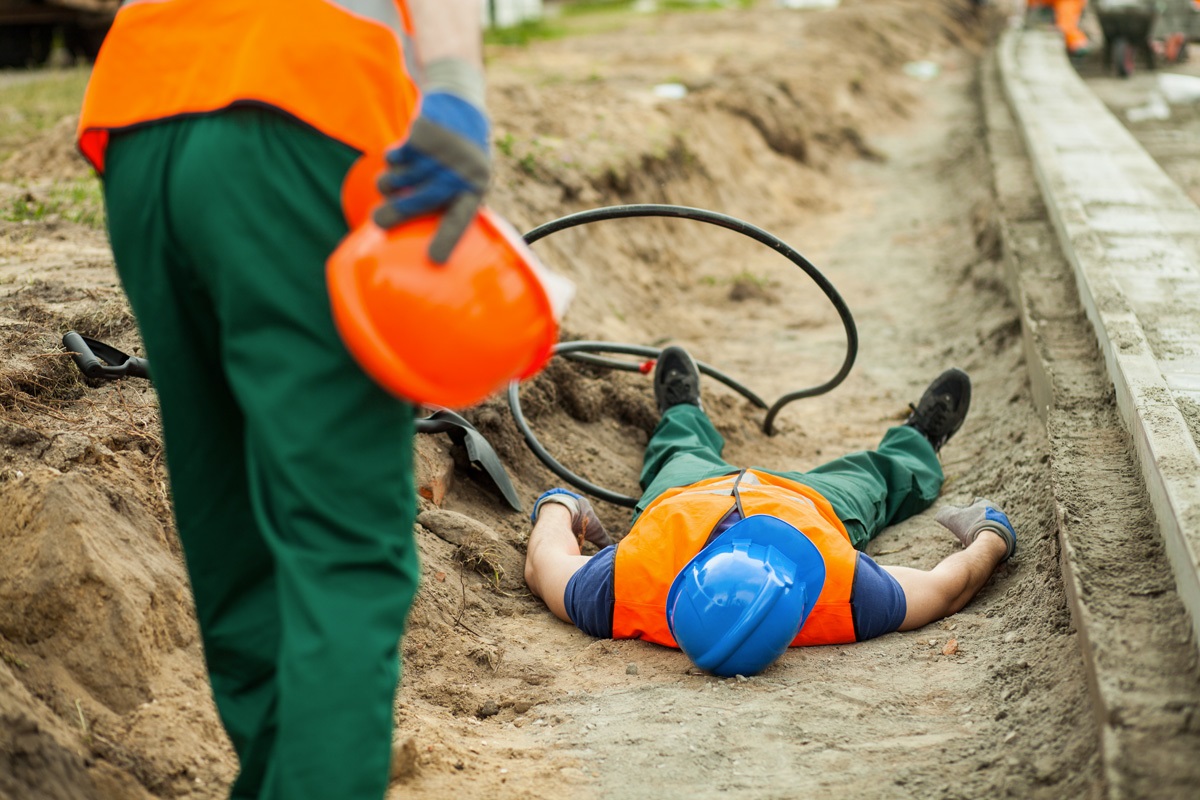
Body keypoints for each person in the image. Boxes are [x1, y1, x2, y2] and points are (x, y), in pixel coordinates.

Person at [74, 2, 488, 798]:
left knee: (232, 532)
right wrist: (457, 89)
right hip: (304, 113)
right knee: (343, 552)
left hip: (144, 116)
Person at [524, 347, 1017, 677]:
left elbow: (543, 565)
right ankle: (919, 441)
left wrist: (559, 506)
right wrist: (991, 535)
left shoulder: (623, 587)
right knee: (875, 480)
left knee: (677, 450)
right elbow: (948, 589)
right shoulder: (844, 595)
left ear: (689, 577)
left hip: (684, 494)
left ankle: (683, 411)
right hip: (812, 504)